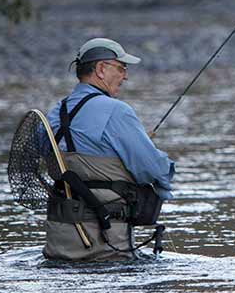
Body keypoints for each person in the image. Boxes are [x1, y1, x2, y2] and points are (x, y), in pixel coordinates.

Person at [42, 38, 174, 261]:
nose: (126, 76)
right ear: (101, 69)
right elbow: (153, 170)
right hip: (106, 247)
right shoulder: (116, 111)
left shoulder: (54, 112)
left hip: (58, 246)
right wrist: (163, 167)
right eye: (121, 68)